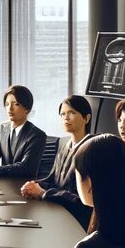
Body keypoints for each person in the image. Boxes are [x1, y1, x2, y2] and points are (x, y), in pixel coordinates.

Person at [22, 95, 95, 226]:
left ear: (86, 118)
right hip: (60, 212)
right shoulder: (65, 145)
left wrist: (43, 193)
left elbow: (80, 199)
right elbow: (53, 180)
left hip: (77, 220)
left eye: (72, 113)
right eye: (62, 114)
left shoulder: (92, 149)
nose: (66, 118)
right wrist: (33, 185)